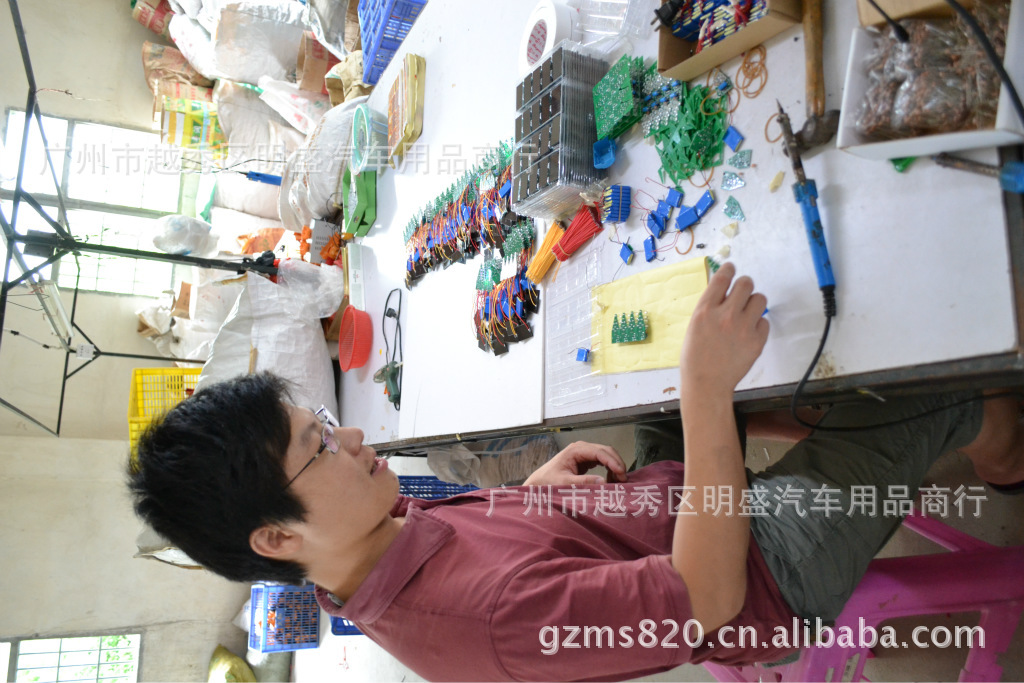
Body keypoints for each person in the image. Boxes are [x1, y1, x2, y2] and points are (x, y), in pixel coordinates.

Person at [129, 263, 1024, 681]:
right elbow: (706, 597)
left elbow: (486, 542)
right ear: (276, 536)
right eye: (319, 446)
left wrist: (533, 498)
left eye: (324, 423)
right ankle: (1003, 452)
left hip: (649, 513)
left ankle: (825, 421)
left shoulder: (365, 543)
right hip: (754, 576)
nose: (354, 435)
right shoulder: (484, 624)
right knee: (937, 394)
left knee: (632, 357)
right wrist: (705, 396)